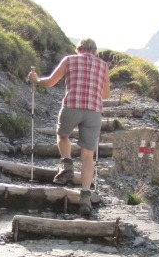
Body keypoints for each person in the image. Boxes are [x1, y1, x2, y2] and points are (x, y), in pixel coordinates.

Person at [28, 38, 110, 217]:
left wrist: (35, 79)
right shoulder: (103, 65)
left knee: (62, 135)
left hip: (71, 107)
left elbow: (50, 82)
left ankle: (67, 164)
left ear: (78, 48)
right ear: (94, 51)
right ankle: (86, 197)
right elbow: (105, 94)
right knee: (88, 155)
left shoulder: (70, 60)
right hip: (94, 112)